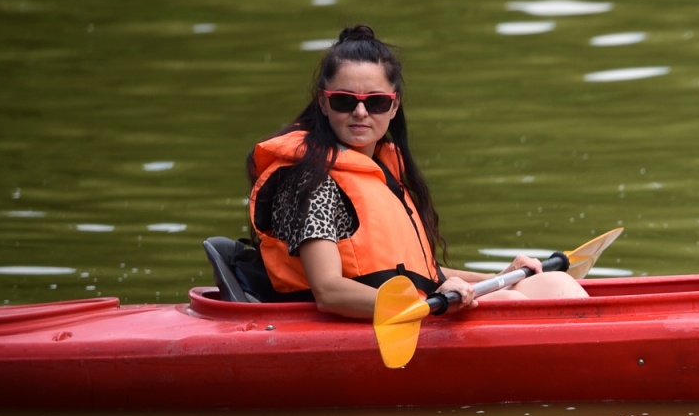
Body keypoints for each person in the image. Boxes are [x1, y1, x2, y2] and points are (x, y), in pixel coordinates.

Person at [246, 25, 586, 318]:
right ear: (323, 102)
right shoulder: (309, 179)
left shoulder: (382, 169)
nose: (361, 112)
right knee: (509, 303)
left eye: (376, 102)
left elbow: (419, 273)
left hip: (418, 307)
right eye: (345, 101)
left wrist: (499, 275)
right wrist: (429, 303)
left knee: (554, 284)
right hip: (368, 318)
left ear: (393, 105)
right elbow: (329, 292)